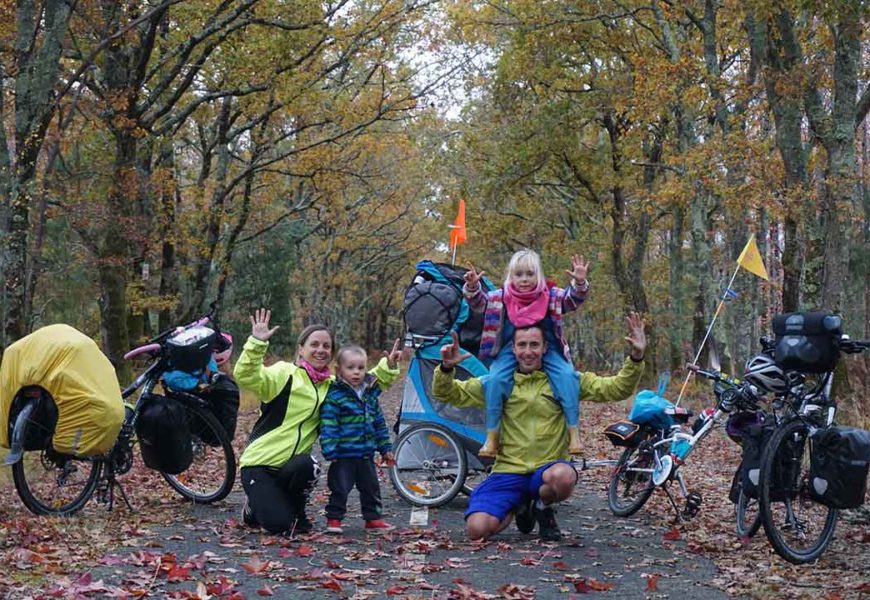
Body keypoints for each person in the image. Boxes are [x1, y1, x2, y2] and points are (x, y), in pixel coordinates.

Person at [433, 312, 646, 542]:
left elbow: (616, 389)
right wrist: (446, 369)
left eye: (534, 344)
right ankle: (519, 506)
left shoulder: (565, 383)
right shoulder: (497, 385)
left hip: (547, 469)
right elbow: (448, 393)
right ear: (512, 349)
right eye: (522, 345)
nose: (528, 351)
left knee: (563, 477)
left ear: (545, 347)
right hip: (508, 470)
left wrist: (635, 358)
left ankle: (542, 505)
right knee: (477, 530)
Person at [463, 249, 589, 456]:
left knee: (567, 377)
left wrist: (580, 283)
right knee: (494, 380)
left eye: (530, 274)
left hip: (547, 348)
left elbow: (571, 300)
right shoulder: (500, 297)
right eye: (519, 275)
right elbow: (479, 304)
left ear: (538, 275)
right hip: (510, 349)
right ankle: (492, 435)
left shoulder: (551, 295)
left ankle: (573, 431)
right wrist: (473, 287)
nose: (524, 280)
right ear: (511, 277)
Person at [320, 342, 402, 535]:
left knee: (371, 488)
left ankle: (373, 519)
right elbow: (329, 424)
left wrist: (385, 448)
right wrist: (330, 449)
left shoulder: (369, 394)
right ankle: (334, 519)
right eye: (351, 368)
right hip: (343, 454)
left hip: (366, 453)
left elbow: (378, 423)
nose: (356, 372)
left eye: (361, 368)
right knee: (339, 488)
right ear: (339, 371)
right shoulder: (336, 396)